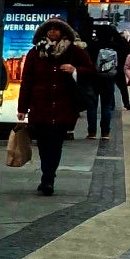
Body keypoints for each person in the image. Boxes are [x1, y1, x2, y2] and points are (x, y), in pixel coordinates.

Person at [17, 18, 95, 196]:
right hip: (40, 106)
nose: (53, 32)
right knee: (43, 144)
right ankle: (47, 172)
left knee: (56, 143)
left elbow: (91, 71)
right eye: (49, 29)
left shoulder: (74, 51)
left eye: (56, 29)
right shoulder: (35, 53)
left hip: (64, 106)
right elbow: (27, 82)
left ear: (63, 32)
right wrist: (22, 108)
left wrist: (74, 70)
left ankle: (48, 178)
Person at [88, 27, 122, 139]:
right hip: (109, 80)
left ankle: (92, 132)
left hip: (93, 79)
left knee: (92, 106)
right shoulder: (116, 47)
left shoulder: (92, 46)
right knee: (106, 107)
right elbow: (119, 65)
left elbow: (87, 63)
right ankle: (105, 133)